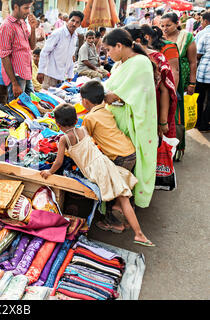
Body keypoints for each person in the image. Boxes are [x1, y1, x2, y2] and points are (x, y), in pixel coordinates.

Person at [40, 104, 153, 246]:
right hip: (105, 163)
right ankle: (136, 231)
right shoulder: (82, 130)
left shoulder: (64, 139)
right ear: (76, 120)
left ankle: (138, 233)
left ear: (57, 124)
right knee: (124, 195)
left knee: (123, 196)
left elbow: (59, 162)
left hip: (96, 171)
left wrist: (49, 172)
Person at [102, 28, 157, 209]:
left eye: (108, 50)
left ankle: (123, 206)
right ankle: (121, 204)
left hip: (135, 121)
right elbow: (111, 87)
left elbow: (127, 93)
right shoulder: (119, 64)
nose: (107, 54)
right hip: (118, 120)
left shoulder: (140, 63)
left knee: (130, 162)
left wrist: (113, 96)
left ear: (119, 46)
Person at [79, 81, 137, 233]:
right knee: (124, 188)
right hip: (129, 151)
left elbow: (84, 140)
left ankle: (115, 223)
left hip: (119, 157)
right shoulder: (106, 111)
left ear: (85, 101)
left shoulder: (89, 118)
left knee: (113, 189)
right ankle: (127, 219)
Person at [161, 12, 198, 161]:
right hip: (164, 80)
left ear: (177, 24)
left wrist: (192, 82)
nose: (165, 28)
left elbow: (193, 62)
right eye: (162, 25)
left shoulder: (187, 37)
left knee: (177, 113)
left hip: (180, 80)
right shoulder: (160, 38)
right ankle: (164, 148)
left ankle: (177, 148)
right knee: (165, 112)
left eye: (168, 25)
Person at [131, 24, 177, 139]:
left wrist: (163, 120)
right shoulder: (128, 58)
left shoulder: (157, 58)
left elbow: (164, 91)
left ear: (137, 41)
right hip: (134, 112)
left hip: (152, 109)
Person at [0, 0, 38, 102]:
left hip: (26, 73)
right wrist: (14, 83)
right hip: (16, 76)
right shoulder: (7, 26)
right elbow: (4, 56)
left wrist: (33, 29)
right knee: (18, 109)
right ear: (16, 7)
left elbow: (32, 46)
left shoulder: (22, 23)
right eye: (26, 8)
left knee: (31, 105)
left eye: (29, 8)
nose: (28, 11)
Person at [37, 11, 84, 89]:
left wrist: (70, 74)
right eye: (72, 20)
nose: (74, 24)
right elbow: (44, 52)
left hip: (62, 76)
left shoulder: (75, 36)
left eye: (77, 22)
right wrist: (40, 71)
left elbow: (71, 56)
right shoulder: (57, 33)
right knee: (47, 100)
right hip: (50, 74)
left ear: (79, 25)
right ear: (68, 20)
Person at [195, 11, 210, 132]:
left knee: (199, 98)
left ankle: (197, 121)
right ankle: (205, 124)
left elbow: (197, 54)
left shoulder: (203, 34)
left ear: (205, 21)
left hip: (203, 73)